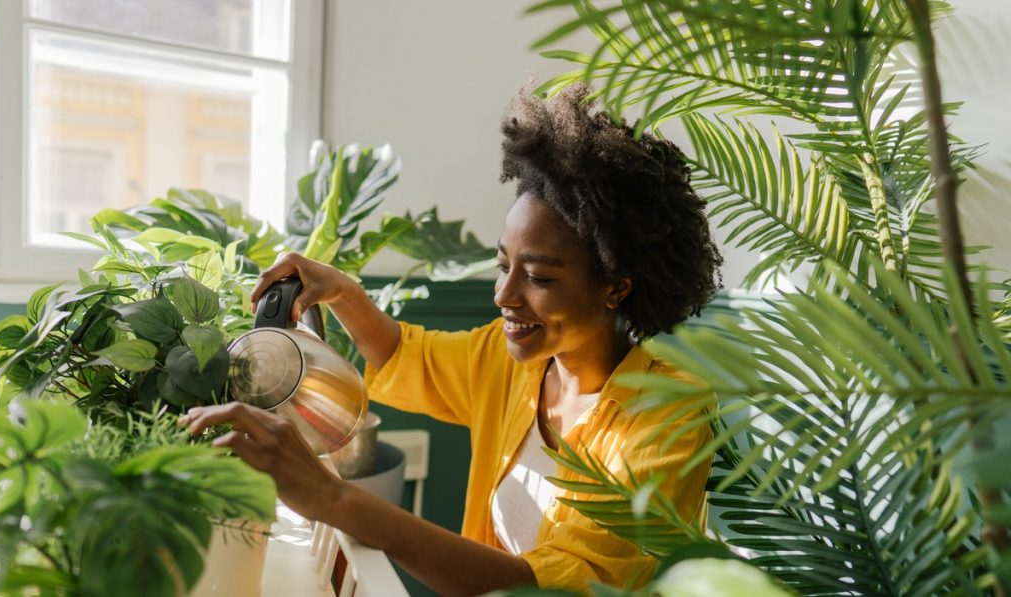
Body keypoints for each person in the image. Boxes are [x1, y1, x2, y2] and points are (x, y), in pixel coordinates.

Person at [180, 84, 723, 595]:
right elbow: (404, 355)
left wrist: (333, 498)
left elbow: (546, 588)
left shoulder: (669, 416)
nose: (503, 295)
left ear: (617, 286)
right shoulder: (516, 362)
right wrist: (342, 290)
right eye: (503, 265)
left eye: (538, 277)